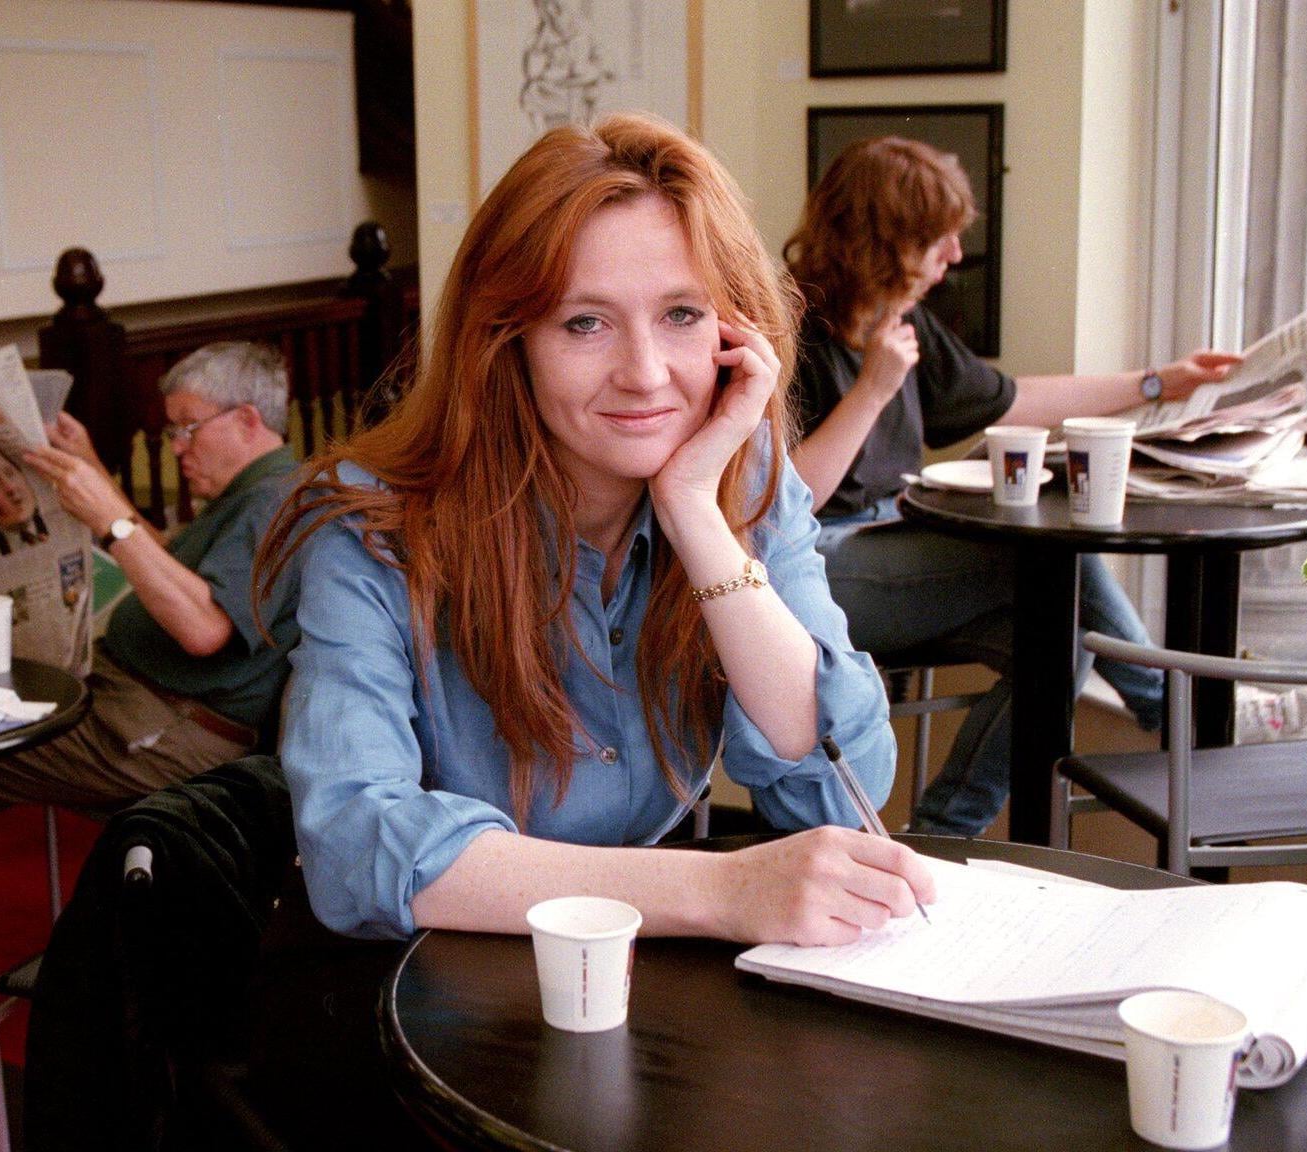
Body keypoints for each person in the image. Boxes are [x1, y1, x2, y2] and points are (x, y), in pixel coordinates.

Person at [257, 113, 935, 946]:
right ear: (509, 341)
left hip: (634, 994)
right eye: (586, 322)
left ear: (734, 330)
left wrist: (696, 517)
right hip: (430, 997)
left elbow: (840, 794)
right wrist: (717, 890)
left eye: (683, 315)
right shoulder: (376, 528)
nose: (646, 373)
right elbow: (358, 846)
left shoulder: (741, 476)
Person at [783, 135, 1307, 836]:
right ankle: (1177, 712)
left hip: (887, 542)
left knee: (1056, 635)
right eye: (938, 239)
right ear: (881, 241)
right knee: (1049, 564)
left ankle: (939, 837)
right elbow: (781, 503)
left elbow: (1009, 400)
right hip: (810, 564)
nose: (955, 256)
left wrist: (1158, 383)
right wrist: (871, 393)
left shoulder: (899, 317)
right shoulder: (789, 327)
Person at [0, 341, 302, 824]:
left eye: (188, 428)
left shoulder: (274, 502)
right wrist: (93, 468)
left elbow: (205, 628)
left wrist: (111, 521)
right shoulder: (252, 492)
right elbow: (172, 570)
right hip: (135, 701)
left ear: (247, 420)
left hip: (166, 725)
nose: (177, 445)